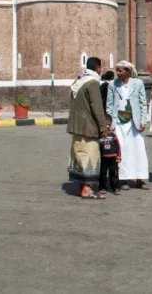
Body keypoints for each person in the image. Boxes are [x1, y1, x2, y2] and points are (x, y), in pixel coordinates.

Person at [67, 57, 109, 199]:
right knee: (90, 156)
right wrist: (103, 127)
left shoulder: (78, 81)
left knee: (78, 154)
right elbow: (96, 107)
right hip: (88, 127)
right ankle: (86, 189)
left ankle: (81, 187)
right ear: (98, 68)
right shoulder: (92, 83)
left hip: (76, 126)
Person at [106, 60, 150, 190]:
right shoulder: (112, 85)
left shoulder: (138, 83)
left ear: (128, 71)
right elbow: (109, 105)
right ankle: (124, 178)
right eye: (117, 70)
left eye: (121, 70)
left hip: (133, 122)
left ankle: (139, 178)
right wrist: (109, 123)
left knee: (138, 149)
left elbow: (143, 103)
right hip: (118, 122)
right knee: (122, 150)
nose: (118, 73)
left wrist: (143, 121)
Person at [98, 115, 122, 196]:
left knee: (114, 173)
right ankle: (102, 187)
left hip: (113, 158)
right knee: (102, 174)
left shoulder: (113, 135)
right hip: (103, 158)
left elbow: (118, 146)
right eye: (105, 125)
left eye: (109, 124)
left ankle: (116, 187)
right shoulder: (100, 136)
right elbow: (98, 148)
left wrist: (119, 156)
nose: (107, 127)